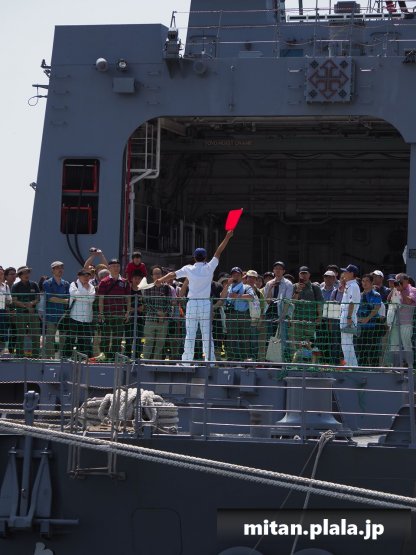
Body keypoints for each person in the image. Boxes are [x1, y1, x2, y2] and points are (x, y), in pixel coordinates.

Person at [155, 230, 234, 363]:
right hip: (205, 303)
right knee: (207, 334)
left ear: (194, 257)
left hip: (192, 303)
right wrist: (227, 237)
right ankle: (210, 361)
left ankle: (186, 361)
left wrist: (160, 279)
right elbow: (218, 252)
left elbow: (172, 274)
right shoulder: (209, 267)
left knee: (190, 334)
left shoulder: (188, 268)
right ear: (205, 257)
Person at [221, 264, 256, 362]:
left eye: (238, 274)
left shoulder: (246, 287)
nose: (235, 276)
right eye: (233, 274)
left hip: (243, 315)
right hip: (230, 315)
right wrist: (227, 285)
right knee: (231, 337)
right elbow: (222, 297)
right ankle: (232, 358)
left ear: (241, 276)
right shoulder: (228, 287)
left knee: (244, 337)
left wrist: (238, 296)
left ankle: (245, 358)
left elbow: (251, 297)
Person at [97, 259, 131, 361]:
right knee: (105, 337)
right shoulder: (104, 281)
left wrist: (128, 312)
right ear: (109, 268)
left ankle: (113, 358)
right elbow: (101, 299)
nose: (116, 268)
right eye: (114, 266)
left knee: (118, 337)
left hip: (120, 314)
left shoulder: (125, 282)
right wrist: (101, 313)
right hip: (106, 313)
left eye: (118, 266)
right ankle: (105, 357)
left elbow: (128, 299)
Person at [290, 266, 324, 360]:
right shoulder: (294, 286)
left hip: (310, 320)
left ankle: (311, 363)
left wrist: (319, 317)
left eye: (305, 273)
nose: (303, 276)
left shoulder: (315, 287)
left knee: (308, 342)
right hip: (297, 320)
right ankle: (298, 362)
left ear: (309, 275)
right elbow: (292, 302)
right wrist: (297, 291)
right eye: (301, 273)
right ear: (299, 275)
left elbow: (319, 303)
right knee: (298, 343)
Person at [263, 261, 294, 361]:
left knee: (282, 337)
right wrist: (271, 288)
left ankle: (282, 360)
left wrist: (282, 316)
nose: (278, 271)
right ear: (273, 270)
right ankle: (269, 360)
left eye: (280, 269)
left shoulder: (288, 284)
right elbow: (267, 301)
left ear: (284, 271)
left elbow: (287, 301)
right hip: (270, 312)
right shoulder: (269, 283)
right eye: (276, 268)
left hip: (281, 312)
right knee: (270, 336)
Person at [142, 266, 173, 360]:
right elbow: (147, 304)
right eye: (155, 274)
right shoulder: (147, 287)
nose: (157, 275)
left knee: (160, 344)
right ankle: (145, 361)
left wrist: (164, 314)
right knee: (148, 342)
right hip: (150, 319)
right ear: (152, 276)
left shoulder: (167, 288)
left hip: (163, 320)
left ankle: (156, 362)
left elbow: (170, 304)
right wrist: (158, 313)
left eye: (159, 273)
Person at [43, 261, 71, 358]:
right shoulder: (47, 283)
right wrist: (64, 300)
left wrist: (57, 298)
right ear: (52, 270)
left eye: (62, 267)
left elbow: (68, 299)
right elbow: (50, 298)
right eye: (57, 268)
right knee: (50, 338)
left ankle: (61, 358)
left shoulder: (66, 284)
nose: (60, 269)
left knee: (63, 338)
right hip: (51, 315)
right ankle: (49, 359)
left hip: (63, 316)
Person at [11, 266, 41, 358]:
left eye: (27, 272)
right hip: (21, 314)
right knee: (20, 335)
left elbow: (38, 298)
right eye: (24, 273)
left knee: (36, 335)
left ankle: (35, 356)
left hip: (33, 313)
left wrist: (31, 304)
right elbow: (14, 300)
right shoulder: (15, 286)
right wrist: (26, 306)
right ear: (20, 275)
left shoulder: (34, 284)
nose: (26, 274)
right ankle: (19, 355)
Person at [67, 268, 96, 357]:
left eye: (88, 276)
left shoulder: (92, 286)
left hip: (87, 318)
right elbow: (74, 294)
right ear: (79, 276)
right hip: (74, 317)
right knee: (70, 340)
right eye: (84, 276)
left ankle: (83, 359)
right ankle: (66, 357)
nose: (86, 278)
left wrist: (81, 295)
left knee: (85, 341)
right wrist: (86, 294)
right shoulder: (73, 284)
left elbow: (92, 299)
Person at [357, 274, 382, 366]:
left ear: (372, 283)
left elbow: (376, 308)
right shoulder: (359, 295)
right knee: (361, 350)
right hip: (360, 327)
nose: (364, 283)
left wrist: (367, 319)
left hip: (373, 326)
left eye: (367, 281)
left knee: (373, 350)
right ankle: (362, 368)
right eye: (363, 281)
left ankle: (375, 370)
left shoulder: (376, 295)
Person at [339, 264, 361, 367]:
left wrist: (348, 317)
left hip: (348, 315)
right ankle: (351, 365)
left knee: (347, 343)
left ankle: (351, 366)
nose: (344, 273)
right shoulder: (350, 285)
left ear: (352, 274)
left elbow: (352, 303)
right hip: (346, 314)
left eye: (346, 272)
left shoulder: (353, 286)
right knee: (346, 342)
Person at [0, 266, 12, 355]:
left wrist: (3, 299)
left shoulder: (6, 286)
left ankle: (2, 352)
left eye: (1, 274)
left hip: (3, 312)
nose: (0, 275)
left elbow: (9, 300)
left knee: (3, 334)